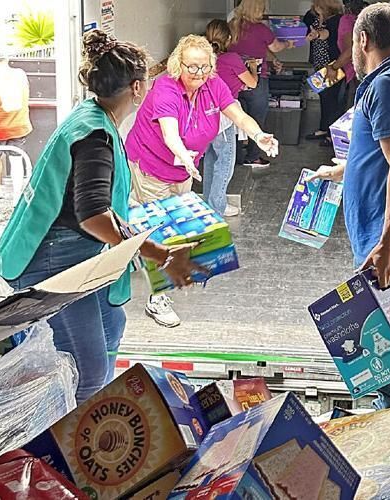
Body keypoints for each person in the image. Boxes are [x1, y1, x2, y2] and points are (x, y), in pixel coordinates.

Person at [0, 31, 204, 404]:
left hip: (75, 254)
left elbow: (97, 205)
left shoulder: (92, 117)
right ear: (137, 88)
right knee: (87, 371)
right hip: (54, 261)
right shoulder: (95, 138)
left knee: (111, 329)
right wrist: (160, 255)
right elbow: (92, 216)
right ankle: (65, 444)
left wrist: (136, 230)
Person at [309, 2, 390, 418]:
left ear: (362, 39)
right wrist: (344, 171)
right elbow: (387, 155)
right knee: (385, 365)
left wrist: (387, 244)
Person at [125, 34, 279, 328]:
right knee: (163, 231)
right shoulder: (166, 89)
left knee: (167, 226)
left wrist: (259, 135)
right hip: (151, 165)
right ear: (177, 64)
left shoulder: (214, 86)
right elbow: (170, 133)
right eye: (191, 67)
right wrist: (183, 155)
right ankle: (157, 300)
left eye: (204, 67)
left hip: (184, 171)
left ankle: (135, 247)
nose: (198, 73)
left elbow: (239, 115)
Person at [228, 0, 296, 168]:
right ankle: (253, 157)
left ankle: (234, 157)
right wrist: (289, 43)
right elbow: (276, 47)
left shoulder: (231, 26)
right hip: (255, 79)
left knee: (235, 118)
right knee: (256, 117)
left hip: (232, 79)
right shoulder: (261, 29)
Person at [204, 19, 259, 216]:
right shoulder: (232, 59)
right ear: (228, 38)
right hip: (224, 115)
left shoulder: (204, 59)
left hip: (204, 112)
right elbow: (252, 84)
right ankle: (218, 205)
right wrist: (253, 67)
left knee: (211, 159)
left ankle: (209, 203)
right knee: (225, 161)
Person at [0, 53, 33, 199]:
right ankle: (17, 194)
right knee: (17, 159)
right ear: (7, 60)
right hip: (19, 125)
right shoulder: (20, 75)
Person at [303, 0, 343, 146]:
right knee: (323, 96)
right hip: (318, 63)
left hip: (332, 64)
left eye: (318, 5)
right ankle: (323, 128)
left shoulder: (336, 20)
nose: (314, 7)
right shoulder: (313, 17)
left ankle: (331, 134)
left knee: (331, 98)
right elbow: (306, 21)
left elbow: (327, 34)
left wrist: (317, 34)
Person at [324, 0, 367, 112]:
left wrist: (334, 67)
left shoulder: (347, 20)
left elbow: (350, 51)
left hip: (356, 74)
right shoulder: (367, 18)